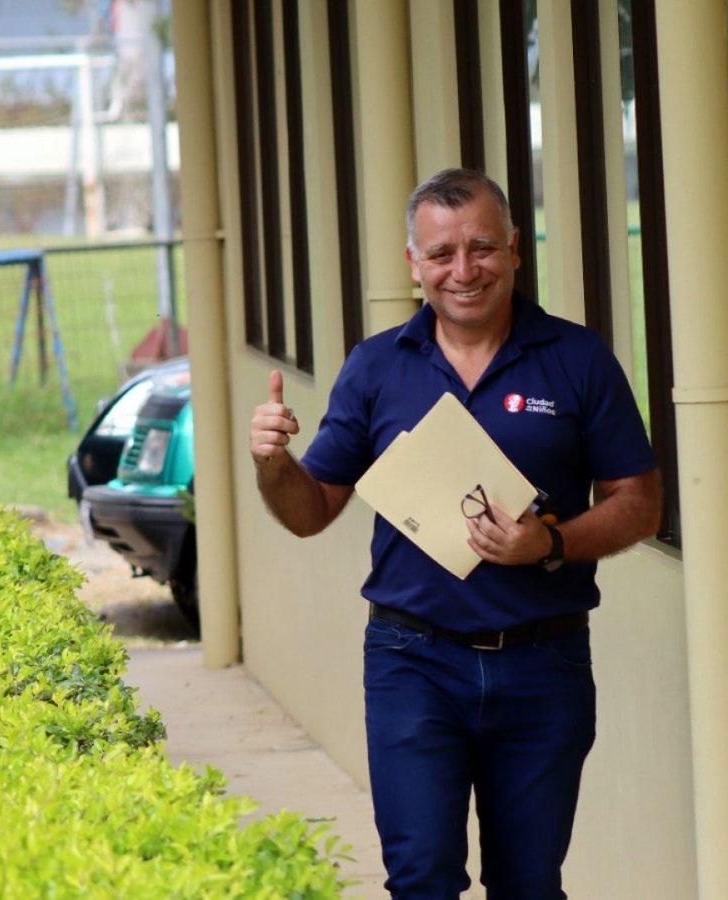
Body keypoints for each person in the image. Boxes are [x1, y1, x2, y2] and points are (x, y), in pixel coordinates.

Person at [250, 168, 662, 898]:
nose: (463, 271)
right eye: (441, 255)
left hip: (544, 661)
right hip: (413, 660)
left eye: (481, 248)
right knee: (422, 879)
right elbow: (310, 511)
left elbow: (640, 502)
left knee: (528, 884)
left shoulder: (578, 360)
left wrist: (552, 543)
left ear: (513, 250)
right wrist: (273, 464)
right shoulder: (377, 366)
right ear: (414, 265)